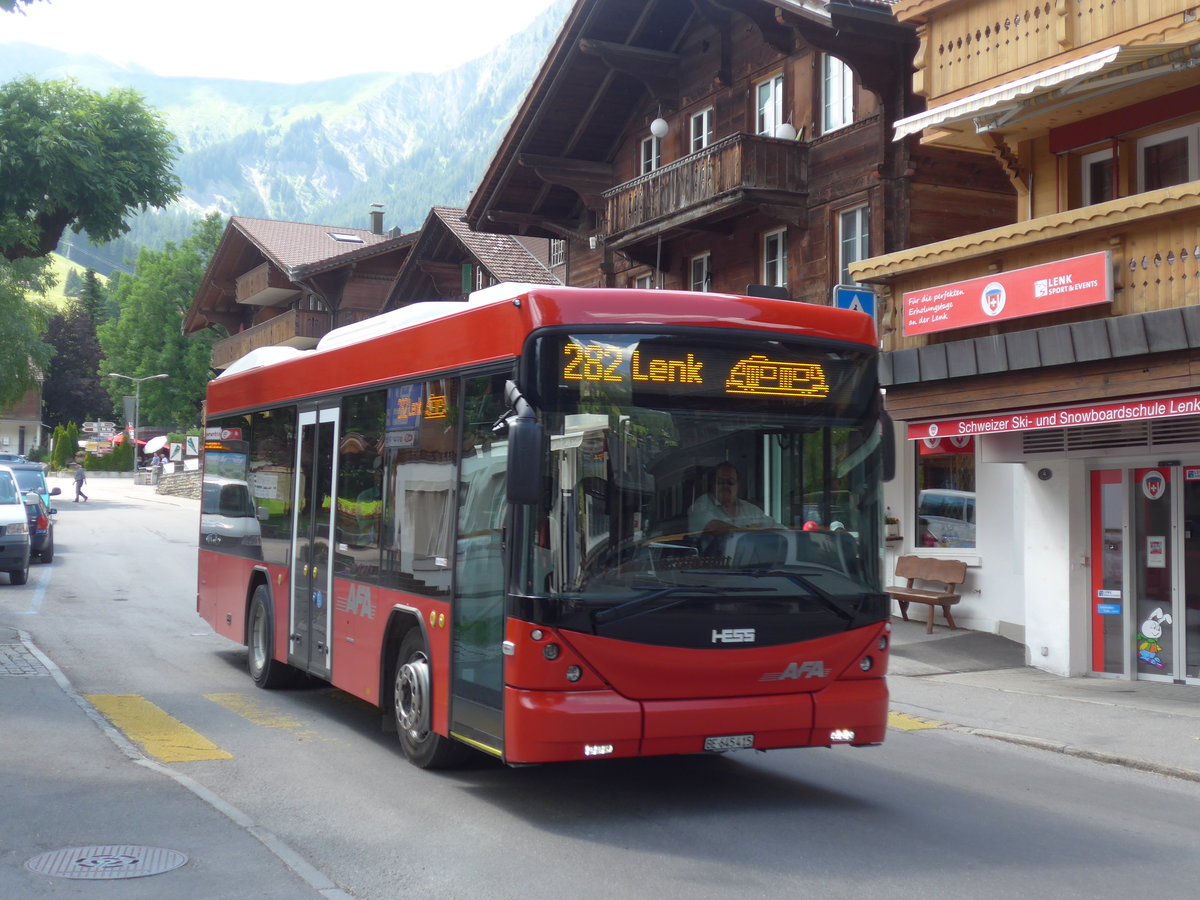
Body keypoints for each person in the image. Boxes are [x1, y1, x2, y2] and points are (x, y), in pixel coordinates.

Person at [688, 462, 778, 534]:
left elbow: (777, 528)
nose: (725, 486)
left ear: (738, 485)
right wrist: (751, 533)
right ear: (712, 484)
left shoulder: (750, 509)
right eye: (720, 482)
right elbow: (713, 526)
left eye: (730, 482)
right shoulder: (701, 505)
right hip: (714, 556)